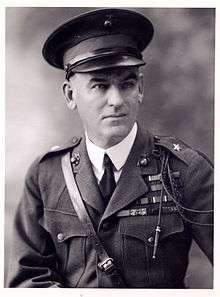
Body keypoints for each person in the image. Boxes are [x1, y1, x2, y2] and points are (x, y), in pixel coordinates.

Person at [6, 8, 213, 288]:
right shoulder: (46, 176)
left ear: (140, 88)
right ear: (70, 95)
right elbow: (26, 280)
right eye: (100, 86)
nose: (116, 100)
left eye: (126, 84)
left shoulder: (185, 170)